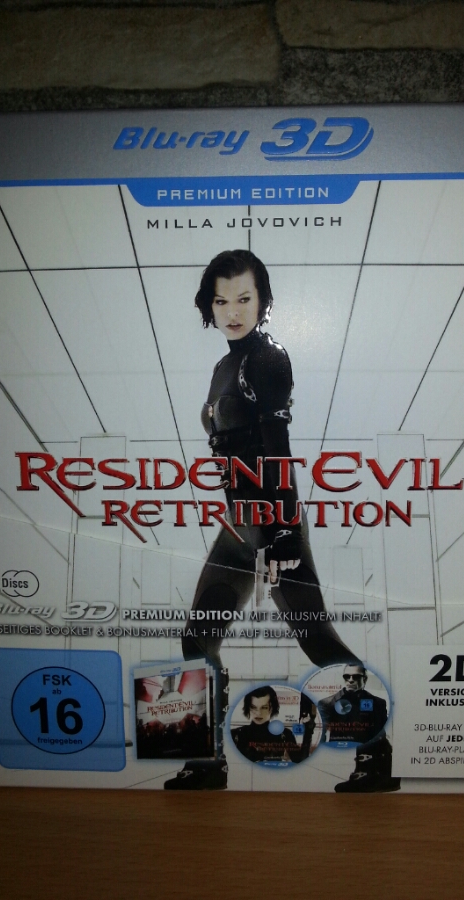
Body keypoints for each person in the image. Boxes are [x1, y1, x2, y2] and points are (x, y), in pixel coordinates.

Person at [164, 249, 361, 791]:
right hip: (238, 524)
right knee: (197, 640)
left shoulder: (268, 359)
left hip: (271, 522)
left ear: (263, 301)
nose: (232, 311)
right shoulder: (223, 366)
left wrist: (282, 536)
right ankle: (207, 763)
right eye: (221, 300)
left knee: (318, 642)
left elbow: (277, 452)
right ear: (209, 305)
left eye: (244, 298)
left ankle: (377, 752)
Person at [316, 664, 400, 793]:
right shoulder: (327, 703)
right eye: (347, 676)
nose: (350, 680)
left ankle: (375, 776)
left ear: (364, 679)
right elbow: (321, 734)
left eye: (355, 677)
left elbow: (381, 733)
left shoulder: (378, 703)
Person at [231, 686, 315, 764]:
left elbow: (299, 760)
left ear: (272, 708)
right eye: (253, 707)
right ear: (248, 708)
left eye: (264, 707)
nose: (258, 713)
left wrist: (308, 731)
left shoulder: (285, 735)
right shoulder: (236, 734)